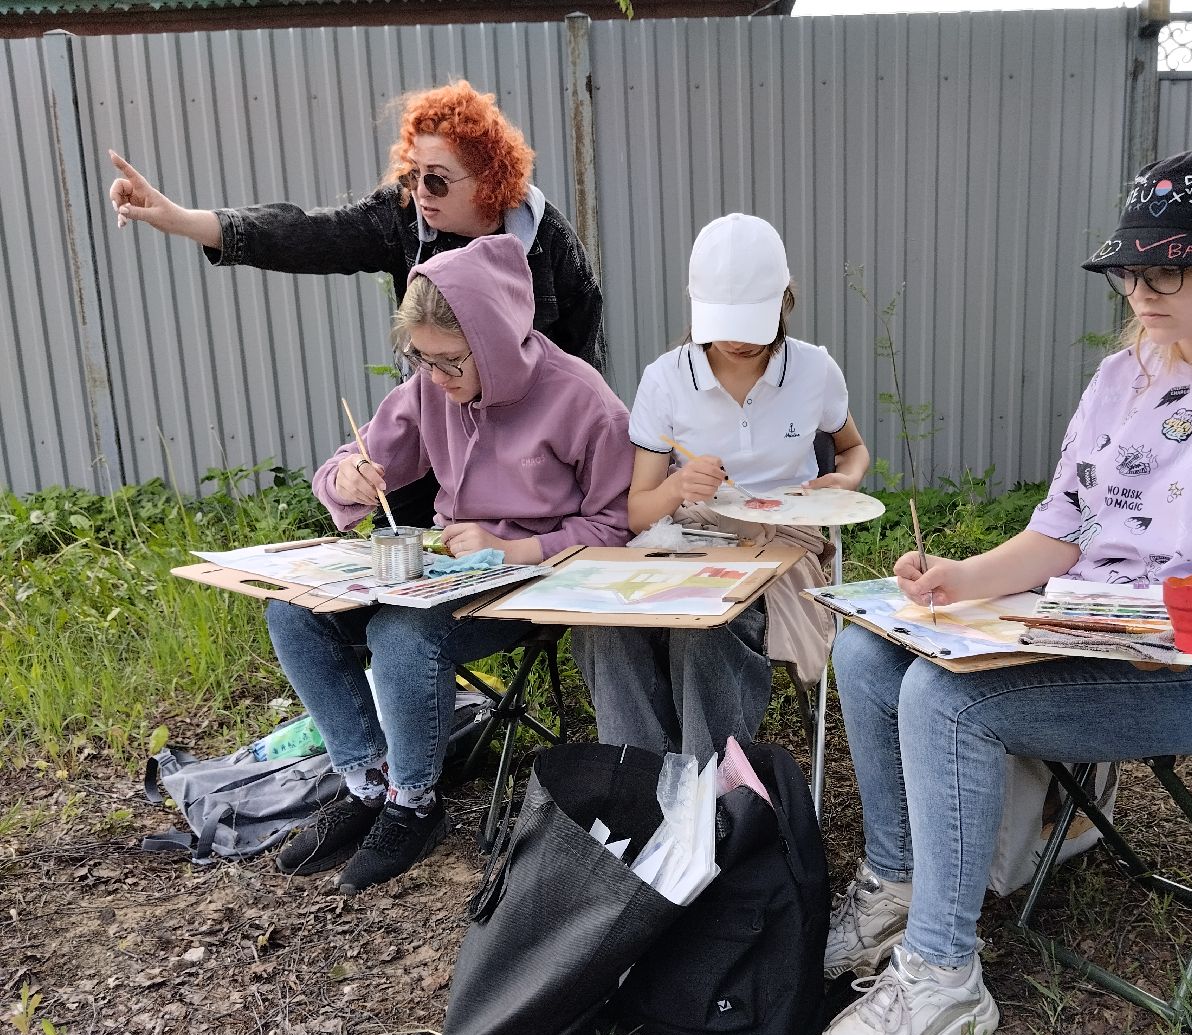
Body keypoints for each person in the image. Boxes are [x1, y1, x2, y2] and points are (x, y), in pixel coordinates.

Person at [815, 148, 1192, 1035]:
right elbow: (1062, 530)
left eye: (1166, 270)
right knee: (868, 657)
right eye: (1129, 271)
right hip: (1084, 624)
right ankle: (899, 885)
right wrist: (963, 578)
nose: (1140, 292)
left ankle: (945, 976)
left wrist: (1129, 620)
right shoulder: (1127, 377)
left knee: (947, 704)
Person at [265, 233, 632, 895]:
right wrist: (346, 478)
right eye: (421, 359)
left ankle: (415, 803)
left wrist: (516, 547)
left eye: (451, 361)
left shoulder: (581, 398)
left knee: (400, 633)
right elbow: (354, 460)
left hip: (530, 584)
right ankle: (366, 782)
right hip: (448, 573)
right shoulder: (431, 389)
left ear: (494, 340)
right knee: (293, 612)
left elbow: (615, 524)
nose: (435, 377)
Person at [107, 79, 605, 524]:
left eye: (436, 179)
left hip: (529, 459)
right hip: (437, 429)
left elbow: (583, 374)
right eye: (412, 175)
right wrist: (181, 219)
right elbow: (308, 234)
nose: (420, 192)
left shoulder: (550, 245)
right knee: (409, 566)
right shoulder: (402, 216)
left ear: (489, 178)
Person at [572, 213, 870, 760]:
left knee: (705, 624)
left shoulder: (814, 371)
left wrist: (843, 481)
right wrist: (679, 485)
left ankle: (708, 791)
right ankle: (646, 782)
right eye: (724, 323)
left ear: (784, 302)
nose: (736, 341)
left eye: (751, 326)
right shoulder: (665, 378)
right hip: (680, 538)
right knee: (604, 628)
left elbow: (852, 448)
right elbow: (639, 513)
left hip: (781, 542)